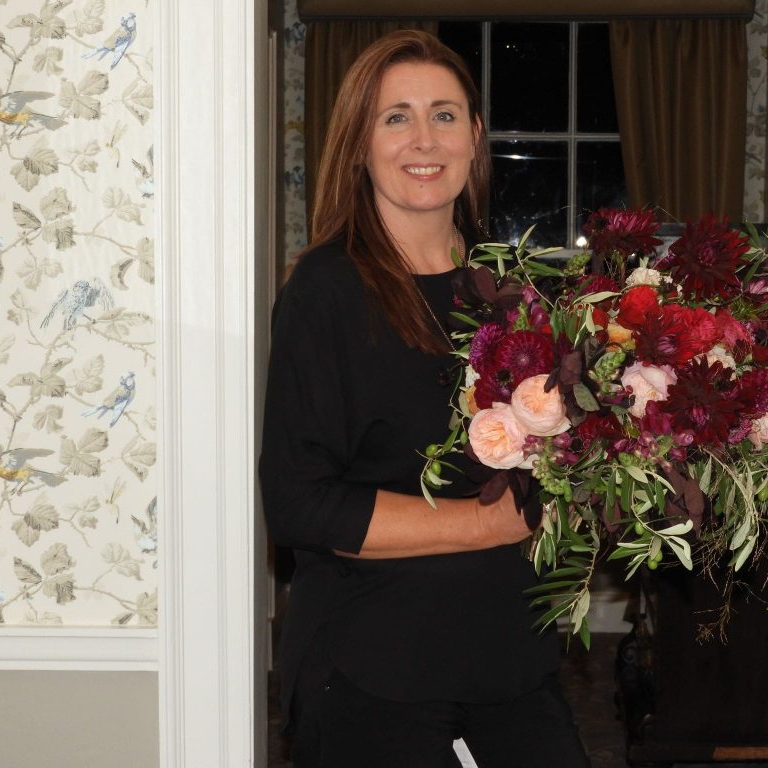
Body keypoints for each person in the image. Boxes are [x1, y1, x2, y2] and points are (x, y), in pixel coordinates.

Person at [259, 30, 590, 768]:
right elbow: (300, 504)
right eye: (395, 117)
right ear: (359, 143)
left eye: (444, 115)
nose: (424, 139)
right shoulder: (325, 292)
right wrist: (488, 523)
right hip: (374, 667)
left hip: (510, 656)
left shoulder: (516, 291)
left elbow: (560, 463)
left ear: (475, 136)